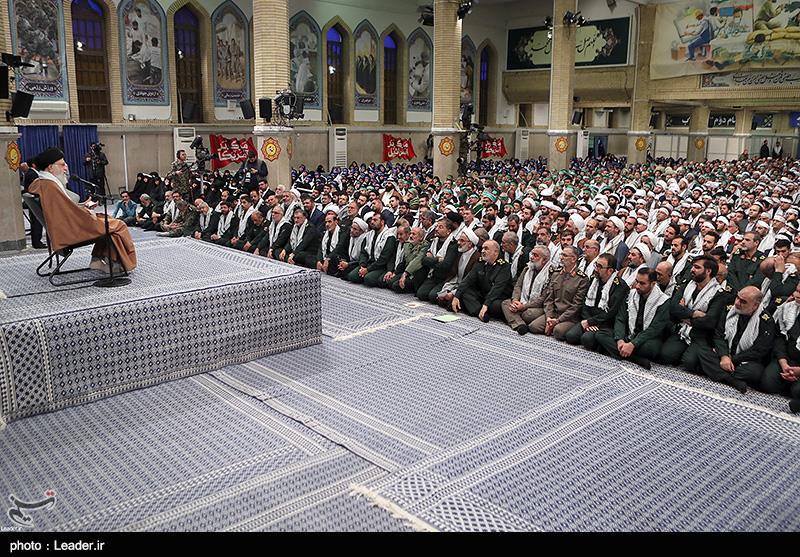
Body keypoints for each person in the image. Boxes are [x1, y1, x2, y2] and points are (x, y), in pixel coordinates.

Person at [28, 147, 136, 273]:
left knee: (108, 222)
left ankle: (98, 260)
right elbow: (65, 212)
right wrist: (87, 213)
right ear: (50, 167)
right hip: (68, 232)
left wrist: (82, 206)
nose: (66, 168)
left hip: (62, 229)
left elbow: (63, 209)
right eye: (62, 164)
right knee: (118, 225)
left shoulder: (41, 182)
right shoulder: (50, 186)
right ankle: (115, 262)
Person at [696, 286, 775, 394]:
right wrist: (724, 356)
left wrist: (732, 359)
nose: (737, 303)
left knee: (755, 372)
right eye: (737, 298)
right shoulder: (729, 310)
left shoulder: (765, 321)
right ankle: (731, 380)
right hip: (725, 356)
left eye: (743, 301)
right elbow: (719, 335)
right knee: (702, 351)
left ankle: (715, 371)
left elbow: (759, 350)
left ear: (755, 305)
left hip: (744, 360)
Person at [659, 256, 728, 370]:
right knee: (666, 355)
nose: (692, 270)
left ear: (708, 271)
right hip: (682, 329)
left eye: (697, 267)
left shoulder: (718, 293)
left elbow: (709, 321)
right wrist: (694, 313)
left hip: (700, 335)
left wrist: (684, 314)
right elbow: (673, 308)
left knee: (689, 362)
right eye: (693, 266)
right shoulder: (687, 284)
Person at [595, 268, 671, 369]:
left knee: (651, 349)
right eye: (637, 281)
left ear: (653, 284)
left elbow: (654, 329)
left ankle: (616, 351)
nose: (637, 286)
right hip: (629, 334)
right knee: (601, 334)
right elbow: (620, 318)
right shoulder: (631, 294)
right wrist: (620, 339)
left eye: (642, 283)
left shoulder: (663, 301)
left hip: (646, 339)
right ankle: (635, 359)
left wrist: (633, 344)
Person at [564, 253, 629, 350]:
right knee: (570, 336)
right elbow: (585, 302)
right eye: (596, 265)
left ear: (610, 271)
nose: (596, 269)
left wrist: (591, 322)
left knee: (587, 340)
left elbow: (611, 312)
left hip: (605, 324)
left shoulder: (619, 286)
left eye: (600, 267)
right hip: (589, 318)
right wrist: (587, 320)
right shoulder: (594, 279)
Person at [525, 246, 590, 339]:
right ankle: (550, 325)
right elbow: (549, 299)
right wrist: (549, 317)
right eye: (561, 254)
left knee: (558, 331)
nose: (561, 257)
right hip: (554, 313)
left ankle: (553, 327)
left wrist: (558, 320)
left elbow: (576, 306)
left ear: (573, 259)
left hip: (569, 317)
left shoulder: (582, 279)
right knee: (533, 327)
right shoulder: (556, 273)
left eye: (564, 255)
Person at [452, 240, 512, 322]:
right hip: (483, 295)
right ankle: (480, 313)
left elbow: (497, 289)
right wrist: (456, 296)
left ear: (495, 252)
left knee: (495, 306)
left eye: (486, 248)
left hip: (497, 297)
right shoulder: (480, 262)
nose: (483, 251)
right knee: (465, 292)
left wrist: (486, 304)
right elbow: (468, 280)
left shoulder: (504, 266)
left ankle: (478, 309)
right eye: (482, 248)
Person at [763, 283, 800, 413]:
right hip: (787, 359)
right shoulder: (789, 308)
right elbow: (780, 338)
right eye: (796, 290)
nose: (796, 295)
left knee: (797, 391)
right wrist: (783, 362)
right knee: (768, 383)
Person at [501, 246, 554, 335]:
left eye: (535, 255)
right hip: (522, 302)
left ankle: (514, 318)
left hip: (537, 307)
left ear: (544, 260)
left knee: (527, 314)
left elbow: (543, 298)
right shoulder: (527, 268)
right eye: (532, 254)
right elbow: (518, 286)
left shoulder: (550, 274)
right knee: (505, 303)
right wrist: (515, 300)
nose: (531, 257)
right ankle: (520, 325)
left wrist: (524, 306)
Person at [347, 212, 397, 286]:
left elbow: (384, 258)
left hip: (381, 266)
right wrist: (362, 266)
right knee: (352, 276)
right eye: (372, 220)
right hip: (369, 263)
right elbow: (363, 252)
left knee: (368, 279)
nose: (372, 222)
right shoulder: (369, 234)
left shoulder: (389, 236)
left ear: (382, 222)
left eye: (375, 220)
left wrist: (368, 270)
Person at [390, 226, 431, 294]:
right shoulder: (408, 245)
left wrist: (405, 274)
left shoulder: (425, 246)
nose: (411, 236)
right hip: (407, 272)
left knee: (396, 286)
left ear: (421, 237)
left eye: (414, 234)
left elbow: (417, 261)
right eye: (410, 233)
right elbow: (404, 261)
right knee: (390, 282)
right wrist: (395, 273)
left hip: (416, 273)